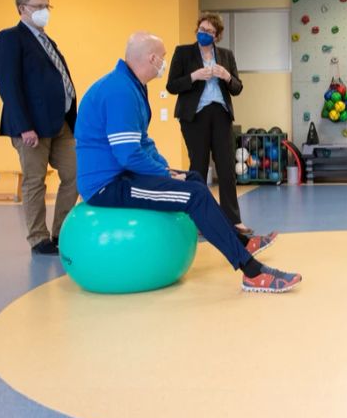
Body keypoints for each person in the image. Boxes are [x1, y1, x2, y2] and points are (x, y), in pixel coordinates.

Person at [75, 32, 300, 293]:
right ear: (151, 58)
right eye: (163, 58)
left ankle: (240, 241)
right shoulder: (119, 91)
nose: (164, 64)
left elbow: (143, 142)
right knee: (194, 195)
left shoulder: (132, 85)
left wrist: (166, 169)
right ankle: (252, 272)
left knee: (193, 178)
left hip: (124, 174)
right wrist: (163, 173)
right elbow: (128, 154)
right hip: (107, 185)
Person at [0, 0, 78, 255]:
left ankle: (60, 231)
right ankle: (38, 238)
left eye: (47, 7)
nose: (44, 12)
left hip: (61, 123)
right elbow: (8, 85)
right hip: (32, 126)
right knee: (34, 181)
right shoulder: (10, 39)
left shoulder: (47, 40)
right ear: (22, 9)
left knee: (75, 174)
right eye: (39, 7)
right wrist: (23, 125)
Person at [166, 13, 252, 235]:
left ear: (217, 36)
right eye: (201, 29)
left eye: (209, 32)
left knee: (226, 168)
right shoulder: (183, 52)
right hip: (194, 116)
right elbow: (172, 86)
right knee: (198, 168)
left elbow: (238, 88)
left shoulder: (226, 55)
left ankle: (233, 220)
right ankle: (198, 220)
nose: (204, 34)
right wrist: (194, 76)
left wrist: (226, 76)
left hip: (221, 114)